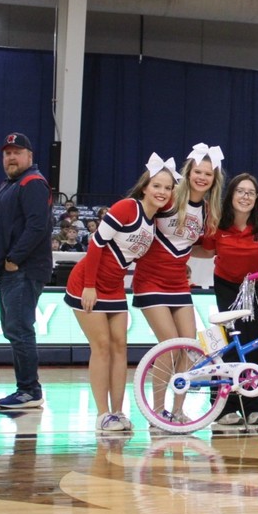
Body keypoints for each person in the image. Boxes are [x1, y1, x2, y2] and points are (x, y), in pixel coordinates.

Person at [65, 160, 175, 432]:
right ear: (145, 187)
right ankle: (103, 415)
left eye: (168, 188)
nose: (161, 192)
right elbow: (96, 244)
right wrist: (90, 285)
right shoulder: (127, 208)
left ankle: (118, 412)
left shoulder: (152, 224)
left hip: (115, 288)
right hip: (86, 284)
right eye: (156, 186)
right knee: (101, 347)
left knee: (120, 348)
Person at [132, 145, 224, 422]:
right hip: (150, 280)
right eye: (197, 171)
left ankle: (178, 410)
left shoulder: (207, 209)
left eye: (208, 174)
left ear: (214, 179)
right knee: (169, 345)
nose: (202, 177)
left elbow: (192, 245)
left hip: (178, 284)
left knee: (188, 346)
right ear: (188, 171)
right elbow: (139, 219)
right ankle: (157, 411)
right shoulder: (169, 198)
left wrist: (183, 258)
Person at [198, 173, 258, 426]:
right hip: (227, 286)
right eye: (240, 191)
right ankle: (225, 408)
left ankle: (254, 407)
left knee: (257, 344)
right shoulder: (216, 222)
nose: (245, 196)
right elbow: (207, 250)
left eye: (250, 192)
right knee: (228, 346)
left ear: (257, 197)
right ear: (231, 195)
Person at [0, 132, 54, 410]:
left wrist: (14, 258)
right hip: (11, 268)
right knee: (14, 329)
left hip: (23, 268)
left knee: (20, 329)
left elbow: (37, 226)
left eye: (16, 152)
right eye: (6, 152)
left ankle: (29, 390)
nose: (10, 156)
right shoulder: (11, 185)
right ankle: (26, 389)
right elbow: (5, 225)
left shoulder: (32, 182)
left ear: (29, 156)